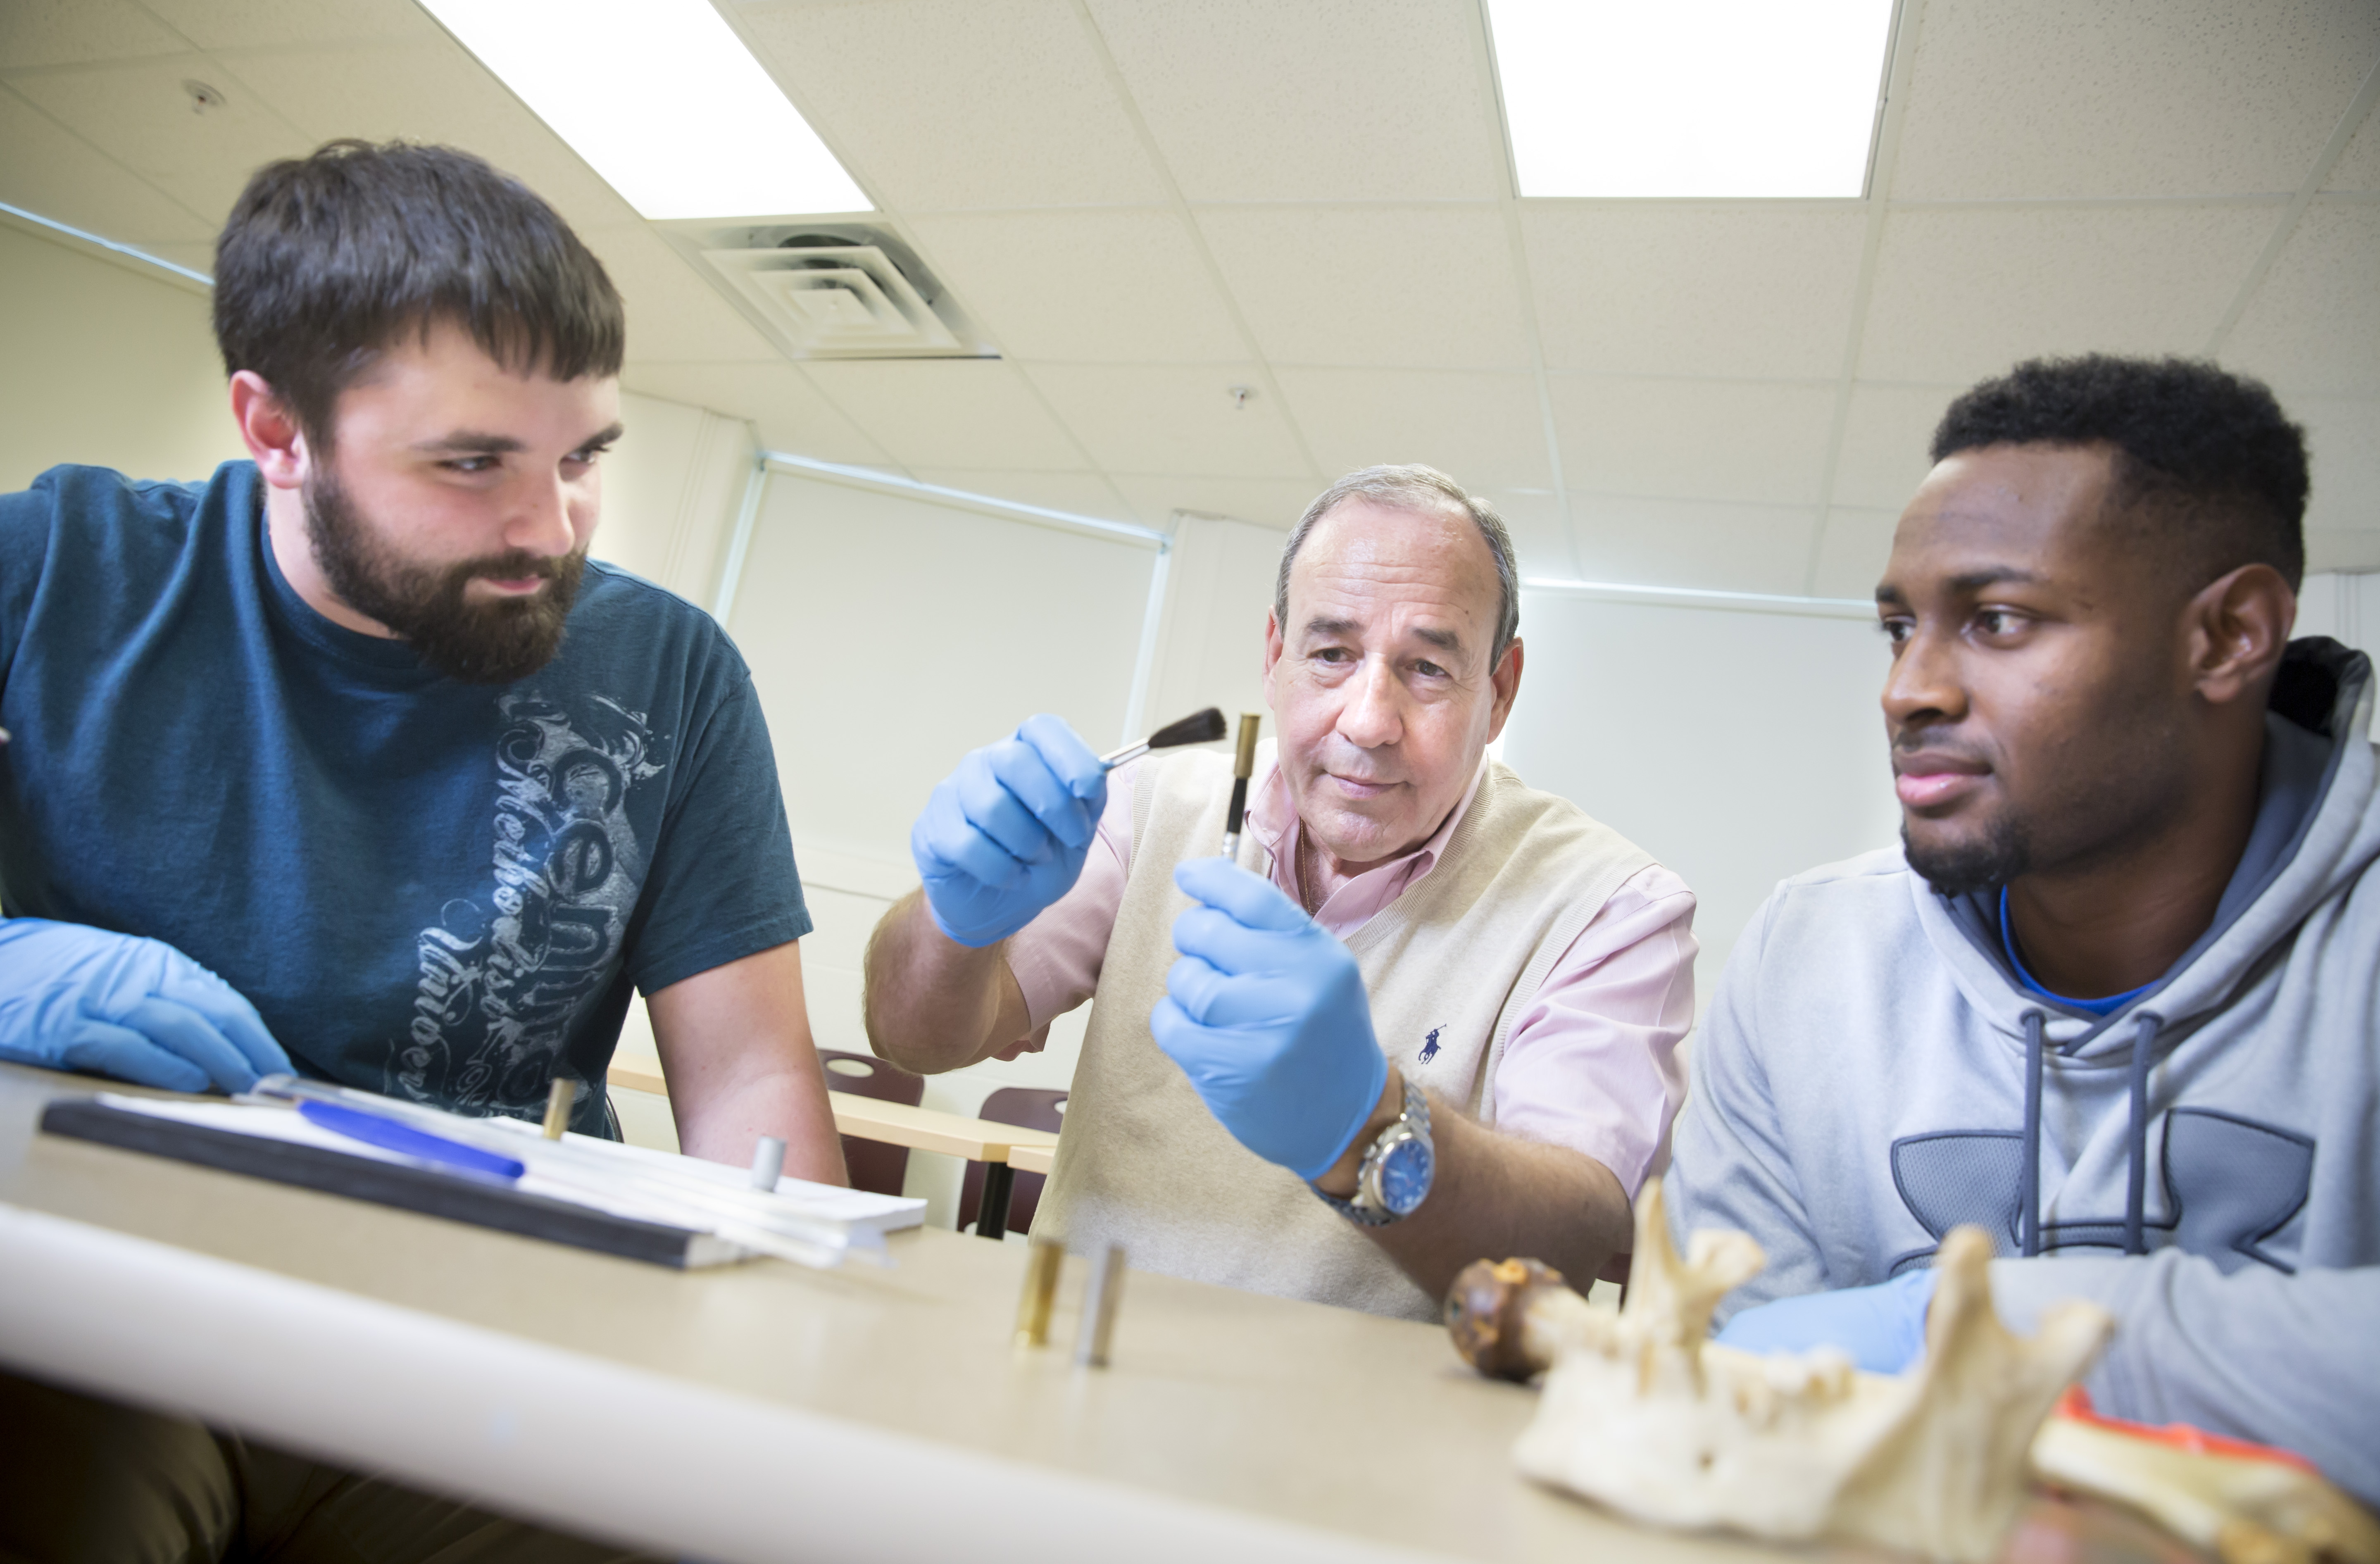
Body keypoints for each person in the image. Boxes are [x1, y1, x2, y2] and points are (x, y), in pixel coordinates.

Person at [0, 140, 841, 1560]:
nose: (552, 526)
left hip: (485, 1334)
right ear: (276, 431)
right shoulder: (58, 571)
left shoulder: (671, 674)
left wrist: (794, 1375)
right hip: (98, 1304)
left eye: (582, 458)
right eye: (473, 464)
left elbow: (750, 1074)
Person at [1666, 355, 2378, 1503]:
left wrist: (2004, 1333)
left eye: (1997, 621)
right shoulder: (1811, 961)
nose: (1909, 688)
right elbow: (1734, 1400)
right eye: (1901, 626)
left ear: (2231, 637)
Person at [865, 464, 1697, 1320]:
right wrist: (951, 926)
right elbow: (914, 1041)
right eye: (1332, 654)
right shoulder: (1153, 803)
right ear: (1275, 656)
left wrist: (1367, 1126)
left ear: (1501, 687)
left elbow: (1567, 1249)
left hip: (1377, 1442)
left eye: (1427, 669)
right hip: (1074, 1379)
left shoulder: (1609, 907)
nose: (1369, 721)